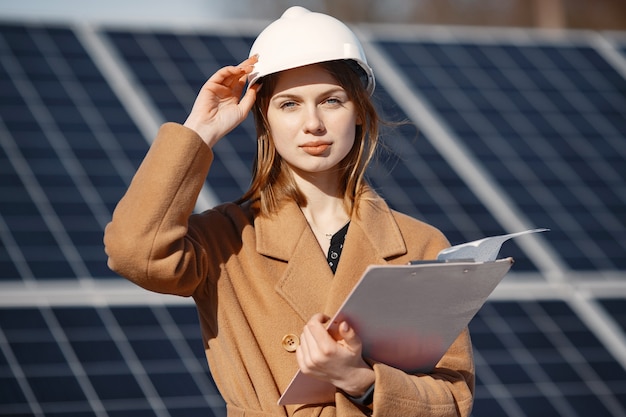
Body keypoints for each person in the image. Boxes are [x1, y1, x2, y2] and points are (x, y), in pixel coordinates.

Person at [104, 6, 474, 417]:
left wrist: (361, 382)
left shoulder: (419, 244)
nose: (312, 123)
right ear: (264, 117)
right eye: (289, 104)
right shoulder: (225, 239)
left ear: (358, 112)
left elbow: (453, 400)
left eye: (332, 101)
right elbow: (133, 251)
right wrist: (200, 130)